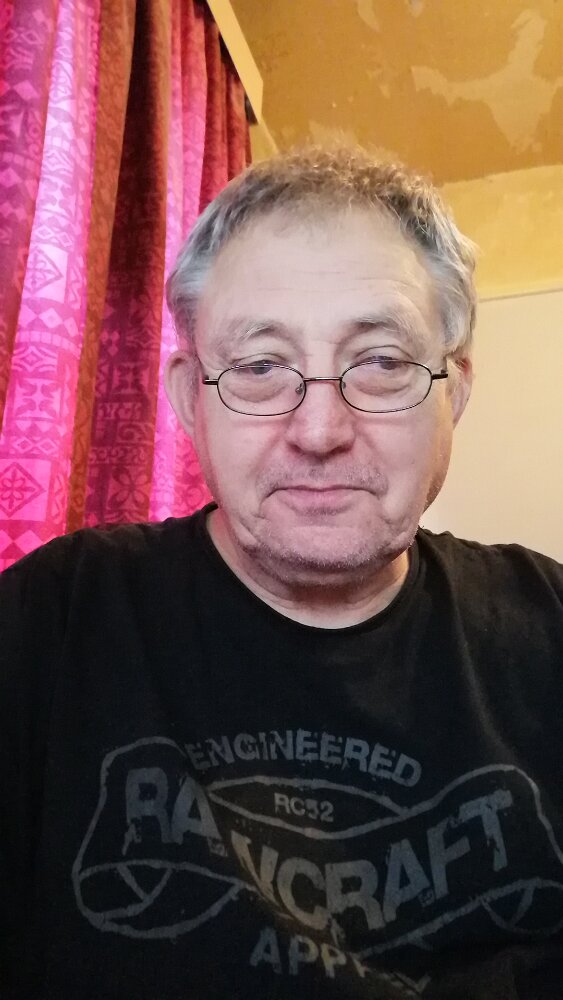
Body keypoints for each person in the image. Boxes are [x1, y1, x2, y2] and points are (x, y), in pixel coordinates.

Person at [1, 147, 562, 1000]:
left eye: (381, 362)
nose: (319, 429)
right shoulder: (58, 619)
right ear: (189, 398)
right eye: (260, 367)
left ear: (452, 392)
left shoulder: (547, 624)